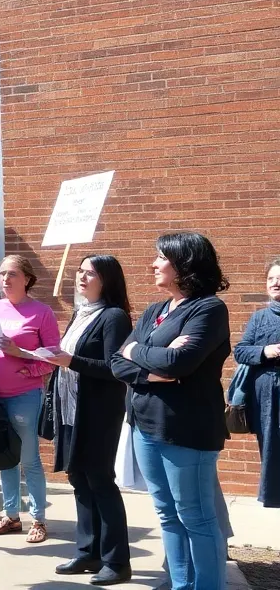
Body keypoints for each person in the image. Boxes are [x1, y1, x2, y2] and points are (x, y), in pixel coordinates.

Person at [111, 232, 231, 590]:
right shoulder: (155, 310)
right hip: (145, 425)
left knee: (196, 516)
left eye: (161, 257)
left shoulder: (209, 308)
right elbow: (118, 361)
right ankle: (181, 584)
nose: (153, 264)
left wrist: (140, 354)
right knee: (167, 514)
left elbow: (180, 362)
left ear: (185, 263)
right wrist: (150, 364)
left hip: (188, 429)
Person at [43, 255, 134, 586]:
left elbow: (115, 368)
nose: (81, 277)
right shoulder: (81, 314)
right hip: (71, 411)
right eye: (79, 271)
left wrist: (71, 360)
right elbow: (71, 360)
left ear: (106, 279)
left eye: (90, 273)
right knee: (79, 479)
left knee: (99, 482)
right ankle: (88, 552)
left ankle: (116, 561)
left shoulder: (114, 317)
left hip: (99, 414)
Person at [0, 255, 60, 544]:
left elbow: (53, 357)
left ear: (27, 278)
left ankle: (38, 518)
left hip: (24, 394)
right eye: (2, 273)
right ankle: (11, 515)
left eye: (12, 274)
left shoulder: (41, 312)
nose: (5, 279)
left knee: (28, 458)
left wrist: (25, 361)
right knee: (4, 457)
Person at [233, 257, 280, 508]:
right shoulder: (259, 318)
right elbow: (240, 351)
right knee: (271, 449)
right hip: (267, 395)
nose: (275, 283)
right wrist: (266, 352)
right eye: (271, 278)